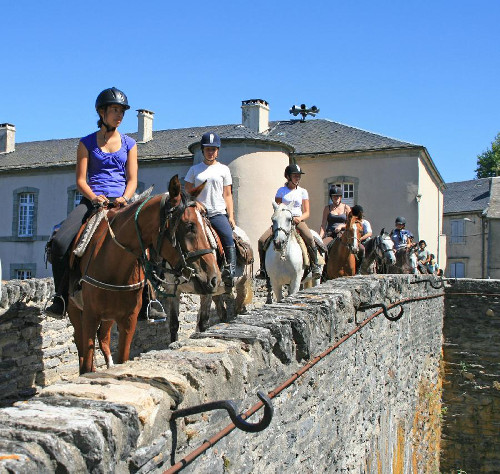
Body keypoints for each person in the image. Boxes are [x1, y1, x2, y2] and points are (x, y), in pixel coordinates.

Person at [45, 87, 138, 315]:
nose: (119, 115)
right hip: (92, 200)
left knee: (148, 241)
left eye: (122, 111)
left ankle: (148, 301)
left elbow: (133, 179)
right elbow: (80, 180)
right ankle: (61, 298)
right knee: (59, 242)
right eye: (115, 110)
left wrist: (124, 198)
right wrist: (95, 197)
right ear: (101, 112)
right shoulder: (86, 143)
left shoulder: (130, 144)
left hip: (122, 202)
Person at [184, 132, 236, 291]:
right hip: (198, 213)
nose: (210, 152)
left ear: (218, 151)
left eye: (213, 149)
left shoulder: (224, 170)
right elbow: (187, 192)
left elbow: (228, 195)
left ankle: (230, 270)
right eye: (207, 149)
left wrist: (231, 216)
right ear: (202, 150)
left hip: (217, 212)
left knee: (228, 237)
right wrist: (196, 203)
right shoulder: (194, 170)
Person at [256, 163, 321, 279]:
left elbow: (307, 212)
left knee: (310, 238)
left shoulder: (303, 192)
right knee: (261, 240)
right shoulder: (281, 191)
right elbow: (277, 209)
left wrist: (299, 218)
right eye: (295, 175)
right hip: (282, 221)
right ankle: (263, 269)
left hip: (297, 220)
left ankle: (315, 265)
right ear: (288, 176)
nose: (298, 178)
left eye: (299, 176)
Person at [350, 205, 372, 271]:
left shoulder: (365, 223)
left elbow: (369, 233)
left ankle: (359, 267)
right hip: (355, 240)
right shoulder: (352, 222)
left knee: (362, 249)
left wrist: (361, 238)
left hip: (364, 241)